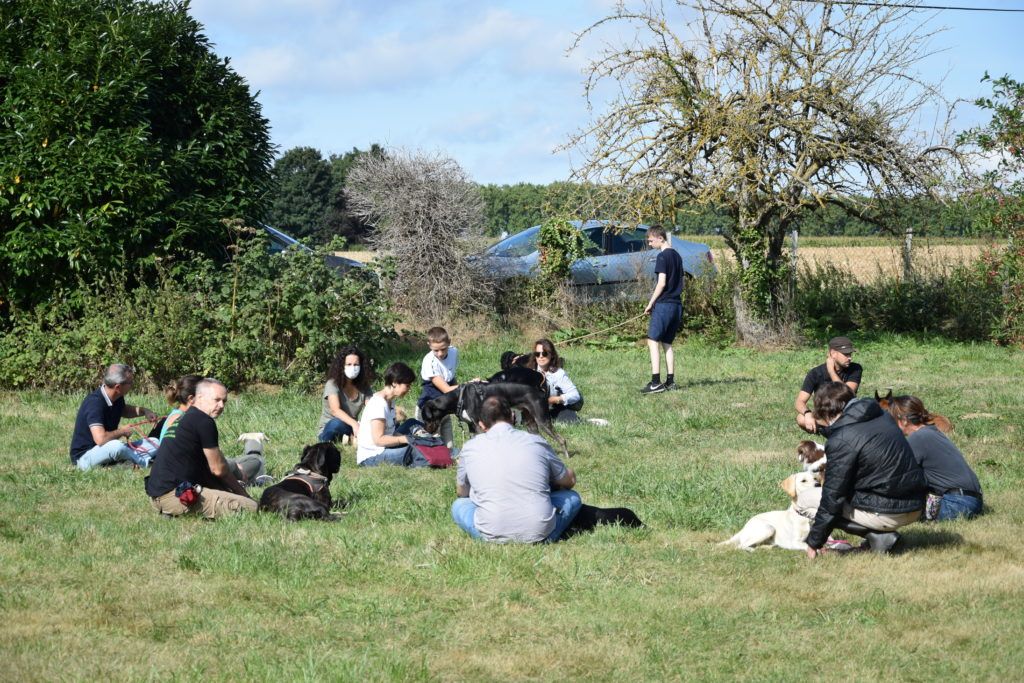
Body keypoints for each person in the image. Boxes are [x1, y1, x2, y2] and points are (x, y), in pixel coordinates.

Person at [804, 382, 927, 557]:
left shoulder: (842, 438)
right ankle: (880, 534)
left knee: (805, 499)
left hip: (890, 512)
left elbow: (833, 497)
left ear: (826, 412)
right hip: (916, 504)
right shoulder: (882, 416)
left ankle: (877, 536)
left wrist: (814, 541)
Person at [451, 395, 582, 543]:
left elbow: (462, 492)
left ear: (481, 425)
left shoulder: (469, 448)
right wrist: (569, 474)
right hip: (540, 531)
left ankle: (496, 535)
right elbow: (568, 481)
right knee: (573, 497)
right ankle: (544, 537)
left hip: (490, 533)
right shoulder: (536, 441)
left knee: (459, 506)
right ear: (512, 416)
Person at [145, 378, 258, 518]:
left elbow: (206, 469)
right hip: (176, 496)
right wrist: (243, 494)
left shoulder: (184, 418)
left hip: (157, 496)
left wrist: (226, 492)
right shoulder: (203, 421)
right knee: (251, 507)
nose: (221, 405)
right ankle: (174, 510)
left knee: (231, 497)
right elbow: (218, 469)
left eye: (224, 401)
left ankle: (171, 510)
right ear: (199, 397)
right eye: (216, 400)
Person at [883, 395, 983, 521]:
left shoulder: (918, 438)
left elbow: (896, 474)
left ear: (904, 421)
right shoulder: (931, 432)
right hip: (970, 500)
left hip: (957, 504)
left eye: (892, 419)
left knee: (892, 509)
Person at [161, 375, 271, 486]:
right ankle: (251, 457)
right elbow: (211, 466)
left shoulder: (180, 416)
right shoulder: (185, 420)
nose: (221, 405)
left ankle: (252, 445)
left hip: (198, 469)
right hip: (195, 473)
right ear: (193, 399)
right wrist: (234, 468)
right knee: (253, 462)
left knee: (245, 462)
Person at [70, 363, 159, 471]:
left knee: (155, 442)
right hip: (84, 457)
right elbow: (100, 439)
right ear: (118, 387)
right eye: (130, 383)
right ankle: (144, 463)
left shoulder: (117, 396)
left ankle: (123, 463)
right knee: (117, 446)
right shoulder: (94, 403)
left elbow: (124, 410)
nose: (132, 385)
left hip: (107, 449)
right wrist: (122, 431)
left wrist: (144, 411)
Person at [356, 362, 429, 467]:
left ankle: (432, 442)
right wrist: (405, 439)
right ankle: (445, 454)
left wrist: (411, 437)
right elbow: (379, 440)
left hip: (385, 447)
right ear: (394, 383)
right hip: (372, 456)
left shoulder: (390, 401)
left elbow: (391, 432)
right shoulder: (378, 404)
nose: (409, 389)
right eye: (407, 385)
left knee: (412, 423)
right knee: (414, 450)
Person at [641, 225, 683, 394]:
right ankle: (670, 382)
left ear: (660, 237)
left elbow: (662, 283)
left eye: (651, 240)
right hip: (677, 305)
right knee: (667, 343)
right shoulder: (677, 256)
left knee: (652, 341)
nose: (650, 244)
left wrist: (651, 303)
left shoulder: (662, 257)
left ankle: (655, 382)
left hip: (664, 304)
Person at [795, 336, 863, 434]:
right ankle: (828, 431)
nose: (850, 358)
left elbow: (847, 393)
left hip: (847, 414)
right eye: (846, 354)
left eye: (850, 354)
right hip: (825, 416)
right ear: (833, 353)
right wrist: (807, 413)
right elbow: (799, 402)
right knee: (801, 418)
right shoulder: (815, 373)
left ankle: (836, 431)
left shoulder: (855, 369)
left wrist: (831, 371)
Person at [317, 346, 373, 444]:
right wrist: (355, 424)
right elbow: (335, 410)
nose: (353, 367)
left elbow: (371, 406)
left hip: (351, 427)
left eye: (356, 364)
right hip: (331, 427)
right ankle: (349, 439)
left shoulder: (364, 386)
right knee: (337, 423)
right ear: (342, 366)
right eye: (349, 364)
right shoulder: (332, 384)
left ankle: (350, 439)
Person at [416, 326, 459, 448]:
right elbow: (446, 389)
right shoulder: (429, 362)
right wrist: (469, 385)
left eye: (443, 349)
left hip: (444, 406)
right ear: (429, 345)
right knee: (430, 444)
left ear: (449, 342)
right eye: (436, 350)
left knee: (449, 446)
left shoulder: (454, 352)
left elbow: (450, 377)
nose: (440, 354)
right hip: (429, 409)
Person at [531, 338, 583, 424]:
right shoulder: (529, 371)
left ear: (551, 355)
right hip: (532, 409)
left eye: (544, 353)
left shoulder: (559, 373)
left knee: (570, 420)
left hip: (554, 407)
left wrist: (556, 399)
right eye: (537, 354)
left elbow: (575, 395)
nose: (540, 356)